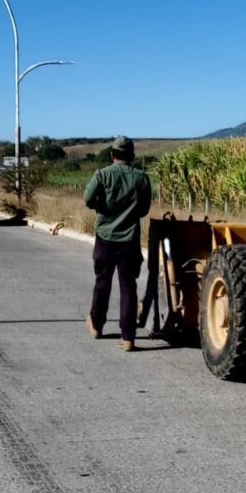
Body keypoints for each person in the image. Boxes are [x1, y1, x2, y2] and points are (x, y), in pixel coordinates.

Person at [83, 136, 152, 352]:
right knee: (128, 287)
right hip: (129, 239)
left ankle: (96, 324)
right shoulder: (141, 178)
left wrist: (102, 207)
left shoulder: (102, 174)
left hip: (105, 237)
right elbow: (144, 210)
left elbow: (87, 199)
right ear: (131, 156)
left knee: (102, 282)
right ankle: (128, 336)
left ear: (112, 155)